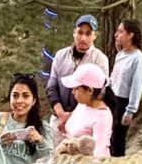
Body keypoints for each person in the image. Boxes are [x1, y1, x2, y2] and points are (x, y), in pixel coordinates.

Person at [47, 15, 110, 144]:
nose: (83, 38)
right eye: (80, 32)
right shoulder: (61, 55)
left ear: (95, 36)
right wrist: (61, 114)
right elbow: (52, 86)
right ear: (74, 32)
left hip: (84, 121)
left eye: (88, 34)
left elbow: (99, 92)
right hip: (58, 117)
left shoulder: (100, 59)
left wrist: (73, 116)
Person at [107, 19, 142, 157]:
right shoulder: (120, 54)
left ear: (130, 35)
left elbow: (137, 85)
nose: (116, 34)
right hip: (111, 98)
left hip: (123, 102)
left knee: (118, 140)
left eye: (120, 31)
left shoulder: (137, 58)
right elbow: (114, 76)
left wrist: (130, 110)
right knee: (109, 137)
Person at [60, 63, 112, 158]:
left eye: (76, 88)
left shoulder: (102, 117)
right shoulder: (82, 104)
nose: (72, 92)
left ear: (89, 91)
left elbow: (98, 153)